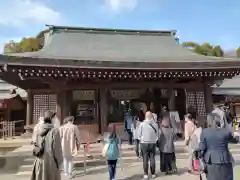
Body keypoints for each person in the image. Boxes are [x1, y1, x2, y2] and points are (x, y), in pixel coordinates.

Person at [199, 113, 234, 180]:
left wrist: (201, 160)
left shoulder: (204, 132)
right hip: (225, 159)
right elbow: (234, 139)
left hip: (211, 160)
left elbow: (202, 148)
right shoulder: (225, 132)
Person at [30, 110, 63, 180]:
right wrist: (59, 163)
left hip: (39, 160)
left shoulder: (37, 128)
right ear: (51, 119)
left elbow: (34, 144)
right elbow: (57, 150)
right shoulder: (55, 131)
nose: (56, 120)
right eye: (54, 118)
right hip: (51, 162)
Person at [138, 111, 159, 179]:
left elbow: (139, 135)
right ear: (151, 117)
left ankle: (146, 174)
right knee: (152, 158)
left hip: (144, 143)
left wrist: (141, 139)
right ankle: (153, 173)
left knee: (145, 158)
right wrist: (154, 139)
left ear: (145, 116)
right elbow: (157, 134)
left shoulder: (142, 124)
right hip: (152, 143)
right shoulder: (155, 124)